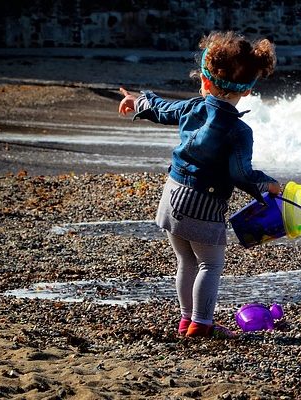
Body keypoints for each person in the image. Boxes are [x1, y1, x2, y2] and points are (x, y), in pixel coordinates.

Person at [118, 31, 281, 339]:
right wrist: (268, 185)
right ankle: (202, 323)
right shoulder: (238, 131)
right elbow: (241, 175)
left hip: (172, 196)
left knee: (186, 260)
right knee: (210, 264)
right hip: (202, 205)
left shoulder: (194, 107)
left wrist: (138, 100)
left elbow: (163, 109)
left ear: (205, 81)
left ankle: (185, 320)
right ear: (247, 91)